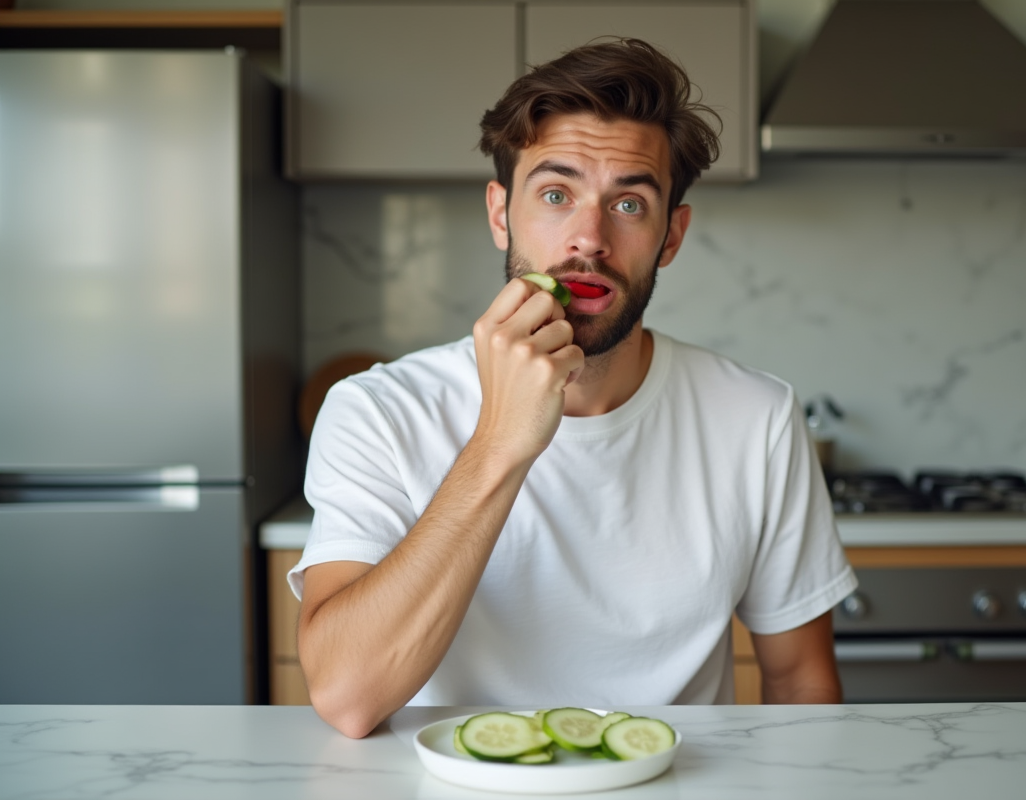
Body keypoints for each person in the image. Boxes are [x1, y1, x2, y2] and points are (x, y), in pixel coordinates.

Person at [291, 38, 857, 739]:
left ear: (671, 236)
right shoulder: (376, 411)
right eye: (556, 194)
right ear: (501, 213)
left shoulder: (756, 417)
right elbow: (347, 697)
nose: (588, 238)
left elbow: (801, 679)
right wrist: (500, 443)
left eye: (629, 203)